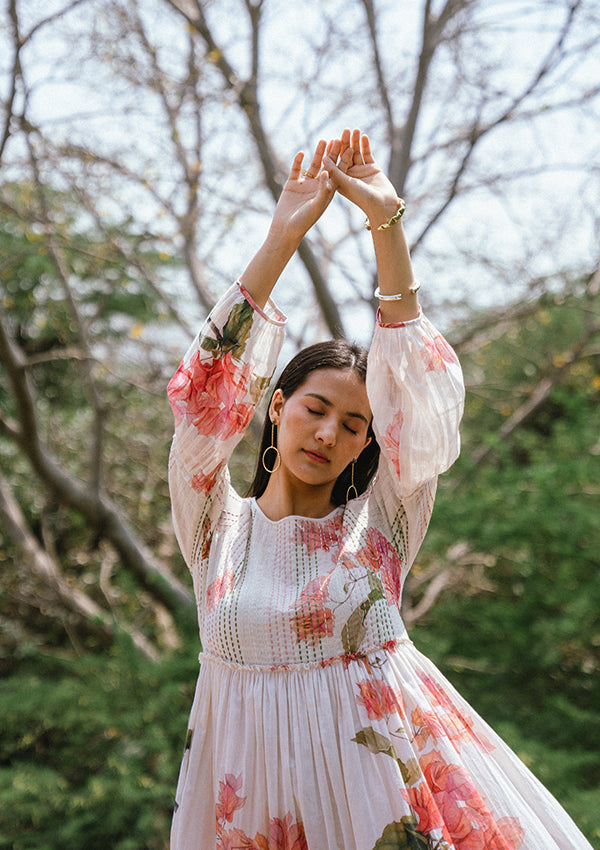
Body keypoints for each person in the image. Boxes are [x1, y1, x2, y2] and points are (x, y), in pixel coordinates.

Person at [167, 129, 593, 850]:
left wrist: (385, 224)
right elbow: (204, 399)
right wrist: (281, 237)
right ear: (277, 406)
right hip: (259, 812)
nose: (330, 433)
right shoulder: (215, 527)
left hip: (391, 805)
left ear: (371, 441)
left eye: (355, 424)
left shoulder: (383, 524)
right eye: (315, 409)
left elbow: (419, 398)